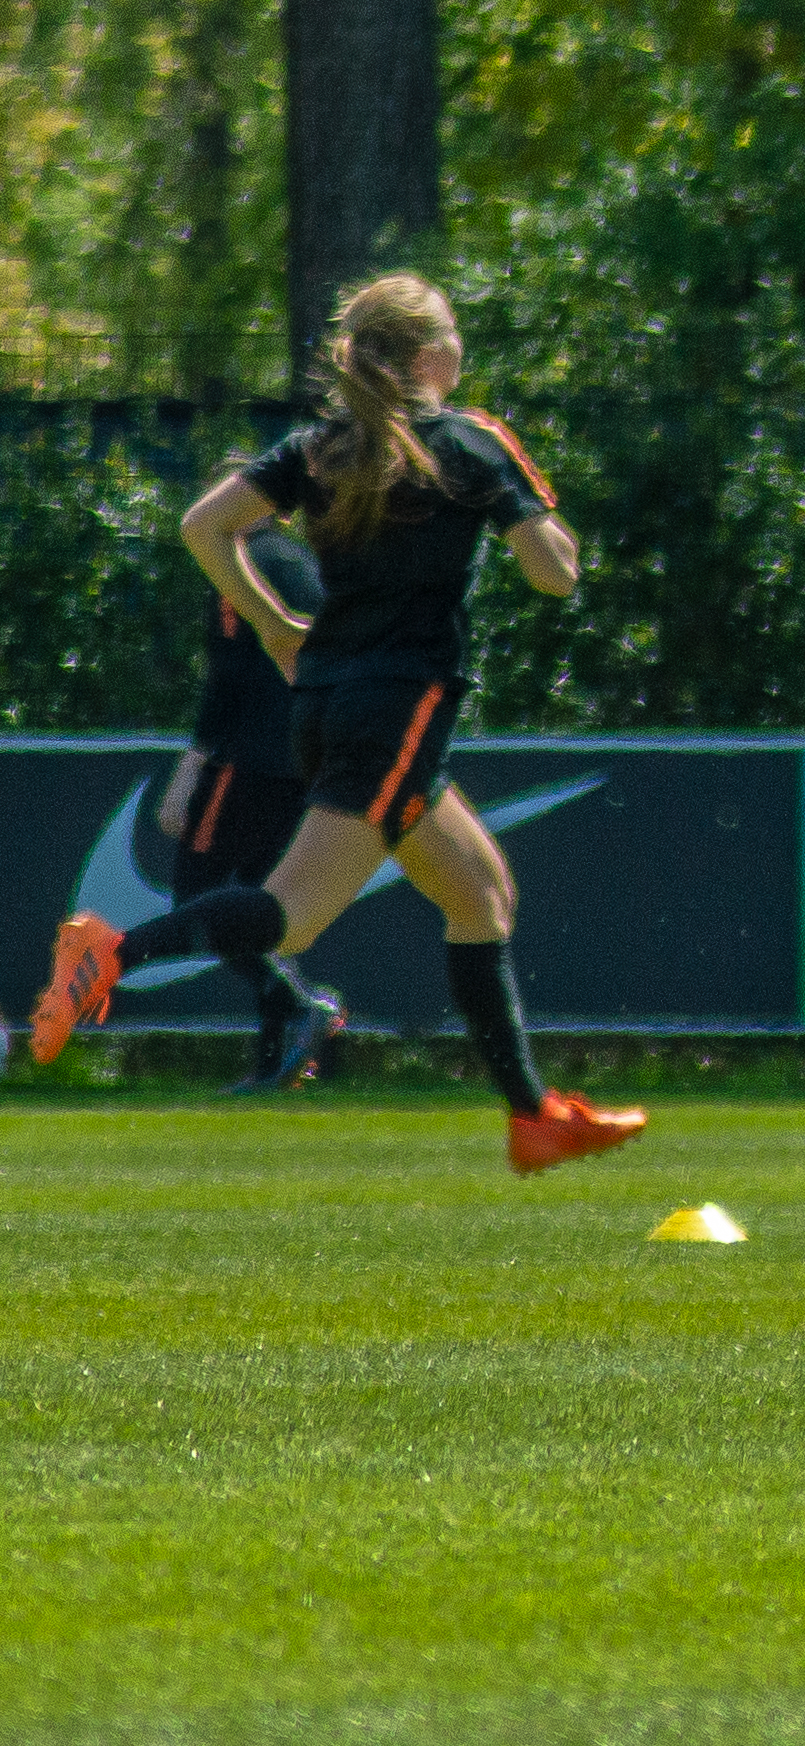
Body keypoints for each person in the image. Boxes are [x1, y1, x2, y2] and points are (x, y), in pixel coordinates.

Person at [30, 274, 646, 1173]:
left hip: (327, 700)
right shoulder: (469, 443)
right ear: (434, 354)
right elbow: (555, 575)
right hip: (401, 706)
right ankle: (113, 950)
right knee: (293, 917)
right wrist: (537, 513)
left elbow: (207, 526)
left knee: (479, 895)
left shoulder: (323, 445)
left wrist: (276, 624)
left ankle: (532, 1115)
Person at [154, 510, 348, 1090]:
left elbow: (230, 677)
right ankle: (276, 1060)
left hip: (247, 759)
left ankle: (296, 1004)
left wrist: (193, 764)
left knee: (197, 894)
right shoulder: (302, 562)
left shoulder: (237, 563)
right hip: (307, 759)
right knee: (267, 908)